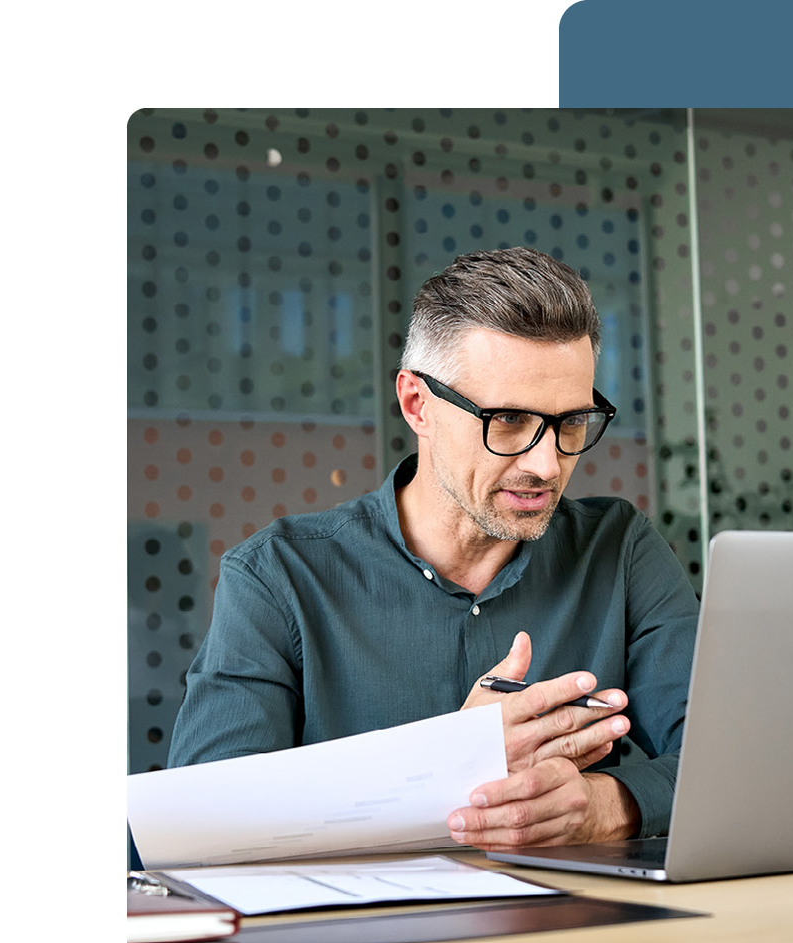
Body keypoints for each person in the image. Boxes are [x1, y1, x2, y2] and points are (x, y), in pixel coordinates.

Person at [167, 247, 700, 851]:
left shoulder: (620, 550)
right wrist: (447, 763)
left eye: (571, 423)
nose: (547, 463)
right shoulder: (277, 579)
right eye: (507, 421)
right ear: (417, 404)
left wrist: (611, 803)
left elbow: (735, 762)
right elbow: (197, 829)